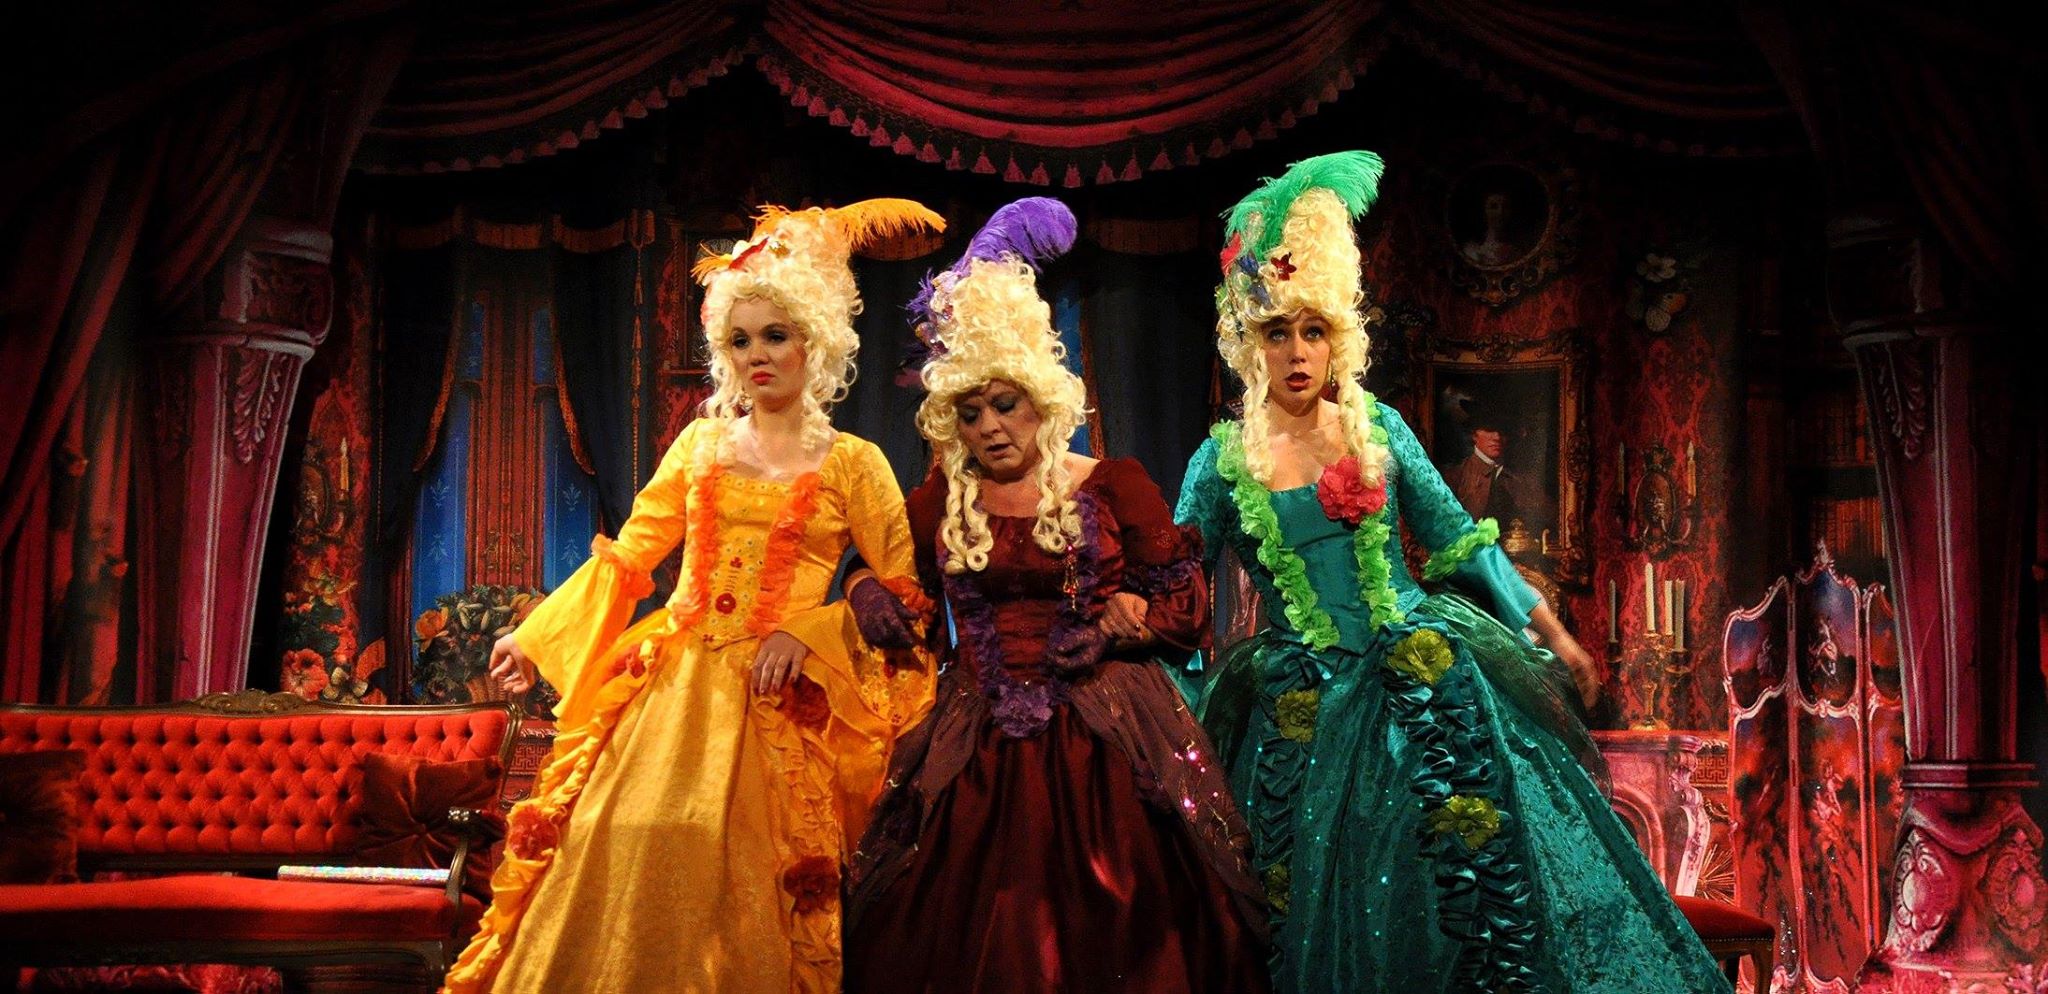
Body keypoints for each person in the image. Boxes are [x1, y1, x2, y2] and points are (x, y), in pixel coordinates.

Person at [1176, 152, 1727, 993]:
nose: (1297, 352)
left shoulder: (1379, 429)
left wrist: (1554, 635)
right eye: (1277, 331)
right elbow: (1174, 587)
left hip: (1418, 684)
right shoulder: (1221, 463)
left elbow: (1464, 542)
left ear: (1338, 336)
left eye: (1314, 330)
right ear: (1248, 341)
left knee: (1469, 887)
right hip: (1299, 709)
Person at [442, 200, 945, 994]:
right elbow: (631, 554)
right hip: (672, 689)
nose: (757, 356)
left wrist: (808, 632)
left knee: (751, 871)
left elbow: (903, 598)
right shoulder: (701, 444)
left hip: (780, 696)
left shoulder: (854, 462)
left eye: (774, 335)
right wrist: (534, 636)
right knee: (625, 838)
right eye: (740, 341)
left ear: (814, 341)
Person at [843, 198, 1271, 994]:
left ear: (1042, 400)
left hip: (1107, 728)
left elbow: (1185, 605)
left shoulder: (1112, 484)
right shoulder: (940, 502)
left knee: (1123, 920)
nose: (989, 428)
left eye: (1004, 404)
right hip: (976, 732)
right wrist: (863, 585)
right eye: (970, 412)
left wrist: (1128, 622)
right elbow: (891, 578)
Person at [1440, 407, 1553, 530]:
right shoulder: (1454, 477)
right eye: (1489, 430)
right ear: (1474, 434)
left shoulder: (1525, 479)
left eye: (1503, 431)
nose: (1497, 437)